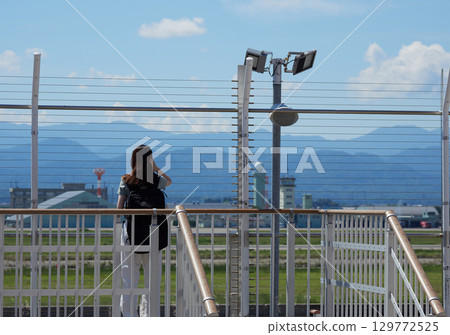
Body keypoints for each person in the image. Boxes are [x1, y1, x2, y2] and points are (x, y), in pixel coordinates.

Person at [116, 145, 172, 317]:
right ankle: (149, 318)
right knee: (152, 282)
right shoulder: (156, 181)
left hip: (131, 235)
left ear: (133, 160)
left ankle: (128, 318)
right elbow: (169, 181)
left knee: (129, 281)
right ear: (150, 160)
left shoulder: (126, 180)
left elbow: (119, 209)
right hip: (154, 236)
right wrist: (156, 169)